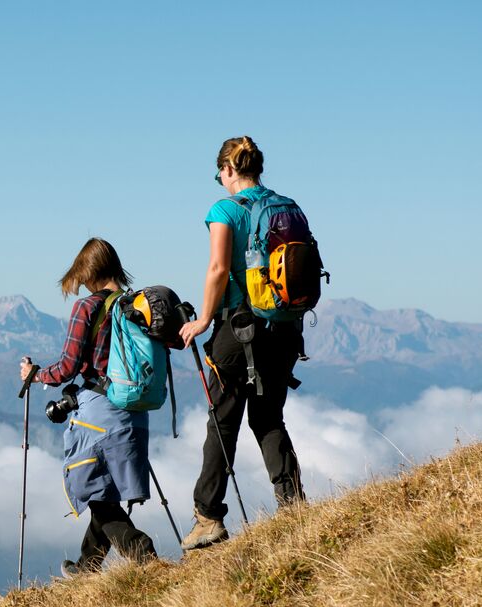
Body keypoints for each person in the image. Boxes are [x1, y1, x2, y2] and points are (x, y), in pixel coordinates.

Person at [177, 135, 306, 549]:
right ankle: (293, 504)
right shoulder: (287, 206)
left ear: (228, 170)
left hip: (239, 329)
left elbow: (217, 269)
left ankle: (208, 516)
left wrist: (202, 319)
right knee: (268, 417)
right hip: (284, 328)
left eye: (220, 172)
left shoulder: (225, 209)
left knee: (222, 420)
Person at [19, 238, 157, 576]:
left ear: (90, 272)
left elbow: (68, 366)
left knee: (93, 488)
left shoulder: (88, 307)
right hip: (135, 411)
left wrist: (36, 376)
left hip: (99, 414)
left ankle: (143, 553)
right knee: (105, 490)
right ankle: (87, 566)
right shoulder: (138, 305)